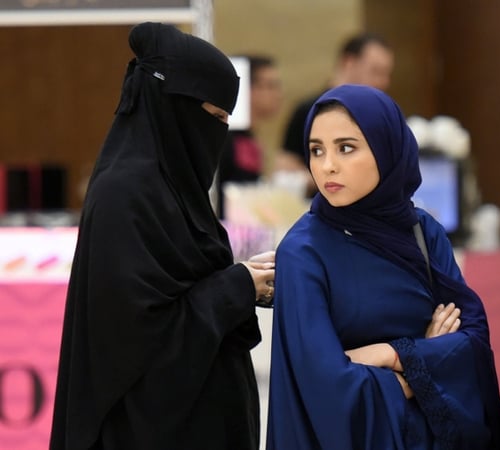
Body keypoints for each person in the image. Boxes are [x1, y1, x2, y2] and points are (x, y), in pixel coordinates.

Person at [49, 22, 275, 450]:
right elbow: (133, 344)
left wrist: (245, 282)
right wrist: (237, 285)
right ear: (173, 109)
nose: (218, 133)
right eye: (213, 117)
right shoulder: (125, 197)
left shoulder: (170, 189)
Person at [266, 84, 500, 449]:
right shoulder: (303, 252)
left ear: (386, 146)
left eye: (346, 148)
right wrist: (421, 368)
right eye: (316, 150)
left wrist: (389, 355)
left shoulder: (422, 231)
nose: (327, 165)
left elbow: (470, 339)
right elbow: (326, 388)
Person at [278, 32, 394, 177]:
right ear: (349, 63)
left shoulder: (379, 114)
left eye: (386, 74)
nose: (383, 82)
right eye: (376, 72)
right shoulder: (309, 110)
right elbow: (286, 167)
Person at [216, 54, 283, 218]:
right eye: (270, 86)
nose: (278, 94)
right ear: (246, 88)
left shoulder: (249, 139)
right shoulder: (226, 139)